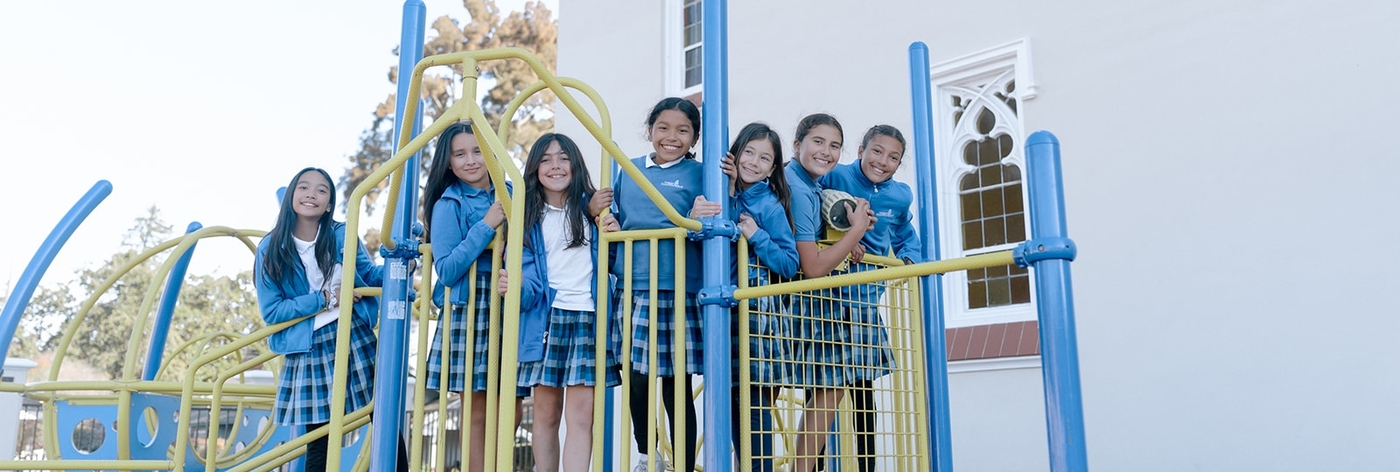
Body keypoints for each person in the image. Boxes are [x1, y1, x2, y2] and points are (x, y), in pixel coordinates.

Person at [602, 97, 721, 472]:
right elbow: (617, 217)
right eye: (664, 128)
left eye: (683, 130)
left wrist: (694, 218)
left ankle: (684, 465)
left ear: (695, 137)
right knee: (636, 375)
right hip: (634, 284)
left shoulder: (701, 173)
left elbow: (707, 223)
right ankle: (646, 454)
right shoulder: (629, 169)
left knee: (676, 382)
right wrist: (606, 222)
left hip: (677, 285)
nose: (672, 137)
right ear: (650, 130)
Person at [254, 167, 385, 472]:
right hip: (309, 344)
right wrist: (324, 299)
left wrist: (400, 264)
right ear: (291, 197)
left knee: (381, 418)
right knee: (320, 439)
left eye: (322, 190)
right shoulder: (271, 248)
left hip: (352, 334)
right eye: (303, 187)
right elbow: (272, 311)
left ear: (329, 204)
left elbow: (368, 274)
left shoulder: (339, 234)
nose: (311, 194)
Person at [512, 133, 621, 472]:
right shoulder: (527, 214)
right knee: (545, 413)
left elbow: (612, 260)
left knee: (581, 416)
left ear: (575, 164)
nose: (555, 166)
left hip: (588, 316)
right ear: (534, 168)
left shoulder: (594, 207)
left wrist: (607, 230)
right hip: (547, 317)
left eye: (563, 158)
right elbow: (528, 274)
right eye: (546, 159)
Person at [819, 124, 922, 472]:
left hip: (864, 298)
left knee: (863, 392)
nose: (883, 161)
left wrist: (910, 257)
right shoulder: (836, 176)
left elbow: (905, 231)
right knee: (820, 387)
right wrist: (845, 238)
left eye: (894, 157)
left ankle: (868, 467)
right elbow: (813, 211)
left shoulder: (900, 195)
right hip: (828, 296)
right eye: (877, 151)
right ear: (861, 148)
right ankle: (814, 464)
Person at [421, 121, 523, 472]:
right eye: (460, 154)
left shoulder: (511, 193)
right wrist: (487, 225)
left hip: (510, 301)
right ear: (448, 163)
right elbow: (447, 269)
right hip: (471, 308)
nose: (470, 161)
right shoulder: (448, 203)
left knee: (514, 401)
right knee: (476, 405)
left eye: (478, 151)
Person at [782, 113, 876, 472]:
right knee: (829, 389)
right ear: (797, 145)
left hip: (796, 297)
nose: (827, 151)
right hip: (798, 299)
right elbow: (814, 266)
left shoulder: (808, 184)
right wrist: (856, 231)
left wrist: (845, 238)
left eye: (834, 145)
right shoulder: (800, 189)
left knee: (828, 389)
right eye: (818, 142)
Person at [719, 122, 799, 472]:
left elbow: (789, 262)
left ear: (773, 167)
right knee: (734, 402)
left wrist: (756, 236)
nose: (754, 162)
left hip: (761, 314)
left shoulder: (768, 204)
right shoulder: (726, 194)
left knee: (755, 402)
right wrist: (731, 190)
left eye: (764, 158)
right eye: (749, 152)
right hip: (728, 309)